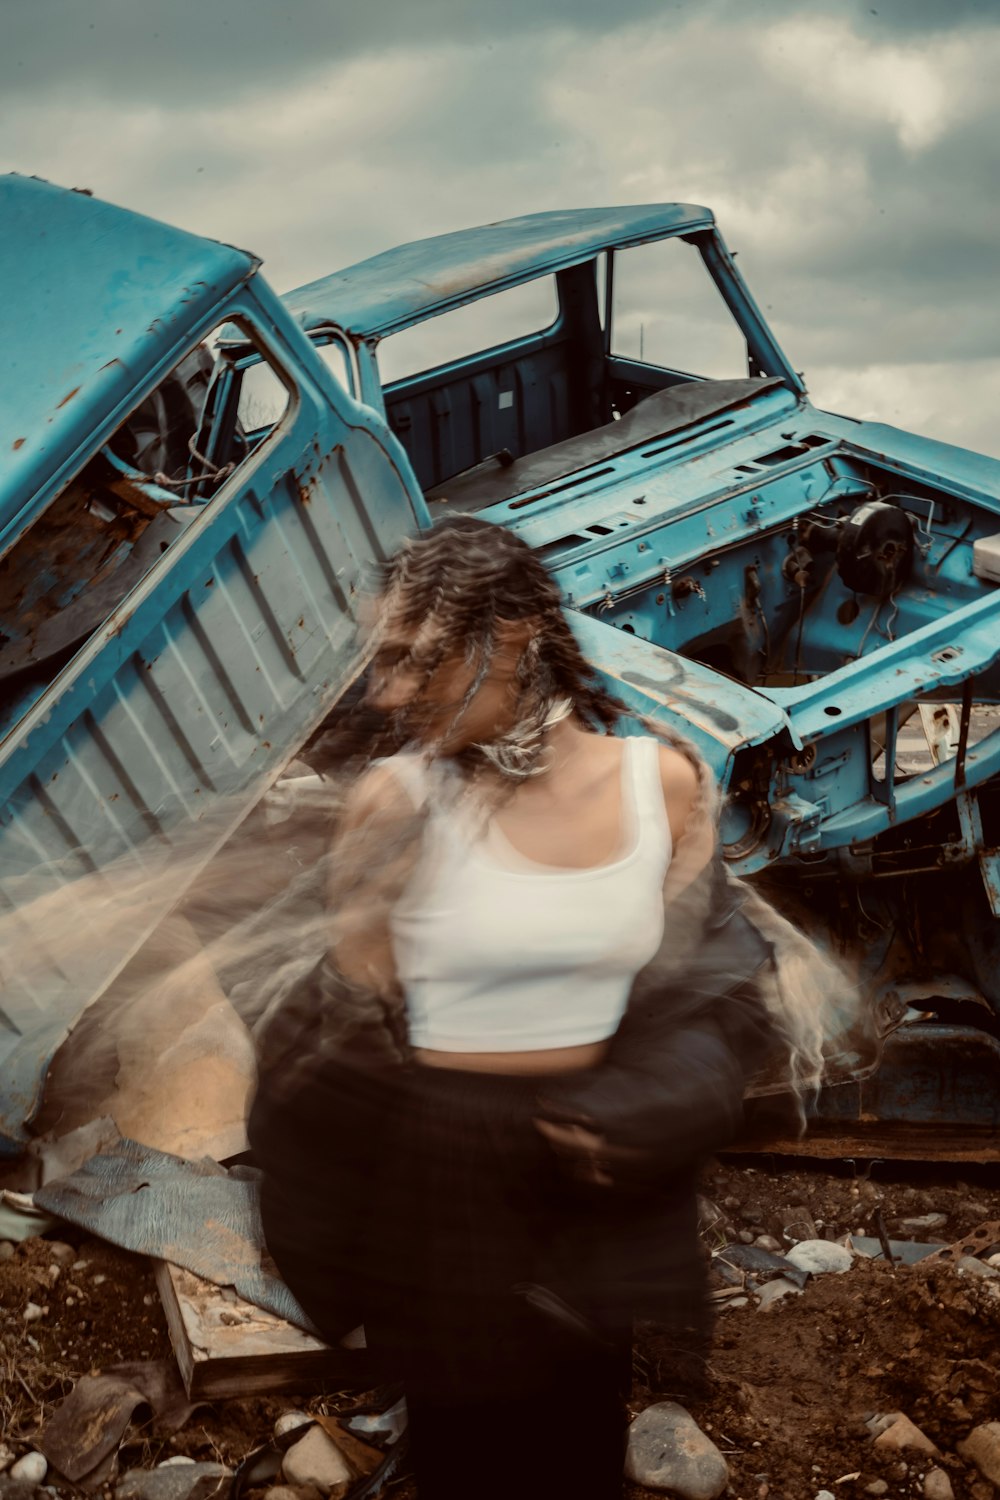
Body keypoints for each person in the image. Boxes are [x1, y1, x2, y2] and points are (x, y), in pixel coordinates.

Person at [248, 515, 831, 1500]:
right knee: (468, 1460)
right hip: (446, 1186)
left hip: (599, 1178)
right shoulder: (395, 806)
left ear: (512, 634)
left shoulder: (664, 787)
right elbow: (331, 1040)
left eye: (415, 661)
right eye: (379, 663)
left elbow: (722, 998)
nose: (387, 692)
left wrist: (657, 1108)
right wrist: (353, 1238)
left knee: (575, 1451)